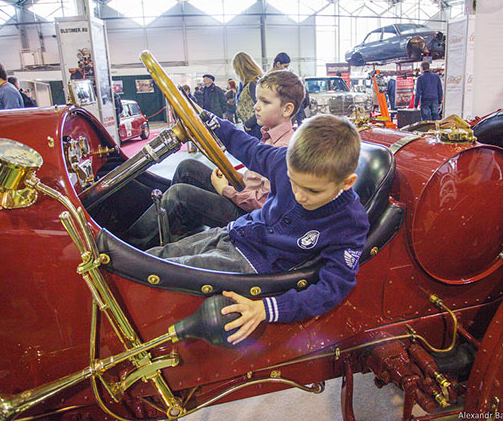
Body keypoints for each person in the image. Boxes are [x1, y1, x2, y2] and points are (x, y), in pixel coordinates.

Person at [147, 113, 369, 344]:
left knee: (156, 273)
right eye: (293, 182)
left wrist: (268, 309)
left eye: (313, 191)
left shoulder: (350, 222)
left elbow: (334, 287)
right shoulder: (284, 160)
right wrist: (214, 123)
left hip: (254, 266)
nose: (299, 195)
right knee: (154, 257)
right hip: (233, 232)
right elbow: (250, 149)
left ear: (346, 182)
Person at [124, 70, 305, 249]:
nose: (255, 106)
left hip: (251, 217)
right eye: (257, 100)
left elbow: (264, 203)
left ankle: (129, 247)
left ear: (287, 109)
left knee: (178, 195)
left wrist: (225, 190)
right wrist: (234, 176)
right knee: (187, 168)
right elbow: (259, 182)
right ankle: (180, 231)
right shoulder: (268, 137)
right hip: (244, 195)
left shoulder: (284, 149)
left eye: (264, 102)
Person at [233, 52, 263, 139]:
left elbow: (262, 106)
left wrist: (248, 124)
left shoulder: (253, 83)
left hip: (256, 126)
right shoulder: (243, 84)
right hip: (252, 126)